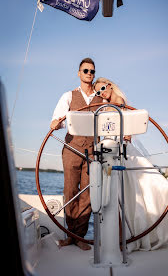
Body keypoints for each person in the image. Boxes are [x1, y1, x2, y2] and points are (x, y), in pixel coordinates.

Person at [94, 77, 168, 252]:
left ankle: (130, 237)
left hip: (121, 151)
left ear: (110, 85)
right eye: (98, 91)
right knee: (128, 194)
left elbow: (125, 131)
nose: (101, 93)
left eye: (103, 88)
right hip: (114, 151)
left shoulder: (117, 103)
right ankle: (129, 236)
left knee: (128, 193)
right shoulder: (107, 104)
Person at [50, 58, 103, 250]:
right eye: (86, 70)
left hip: (93, 151)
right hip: (72, 148)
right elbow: (58, 118)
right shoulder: (69, 96)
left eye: (92, 71)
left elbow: (110, 119)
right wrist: (55, 122)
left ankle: (79, 236)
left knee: (88, 194)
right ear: (79, 73)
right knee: (71, 192)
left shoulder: (102, 98)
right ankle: (70, 236)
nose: (89, 74)